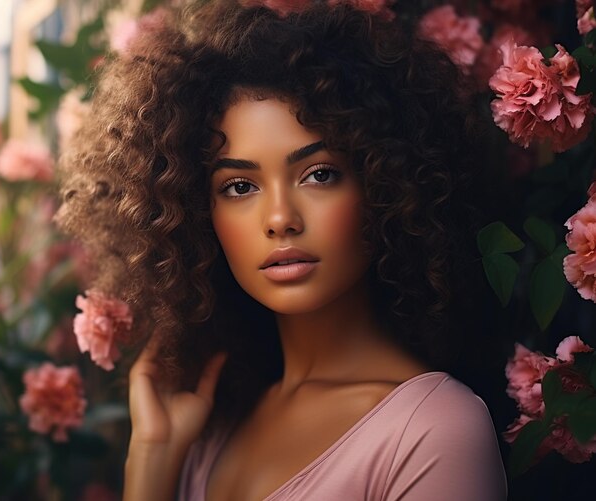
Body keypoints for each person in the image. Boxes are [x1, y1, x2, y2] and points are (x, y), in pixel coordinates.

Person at [56, 1, 508, 499]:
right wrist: (152, 457)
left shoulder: (434, 432)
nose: (279, 219)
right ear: (198, 213)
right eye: (239, 186)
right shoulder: (210, 426)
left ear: (385, 186)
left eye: (319, 175)